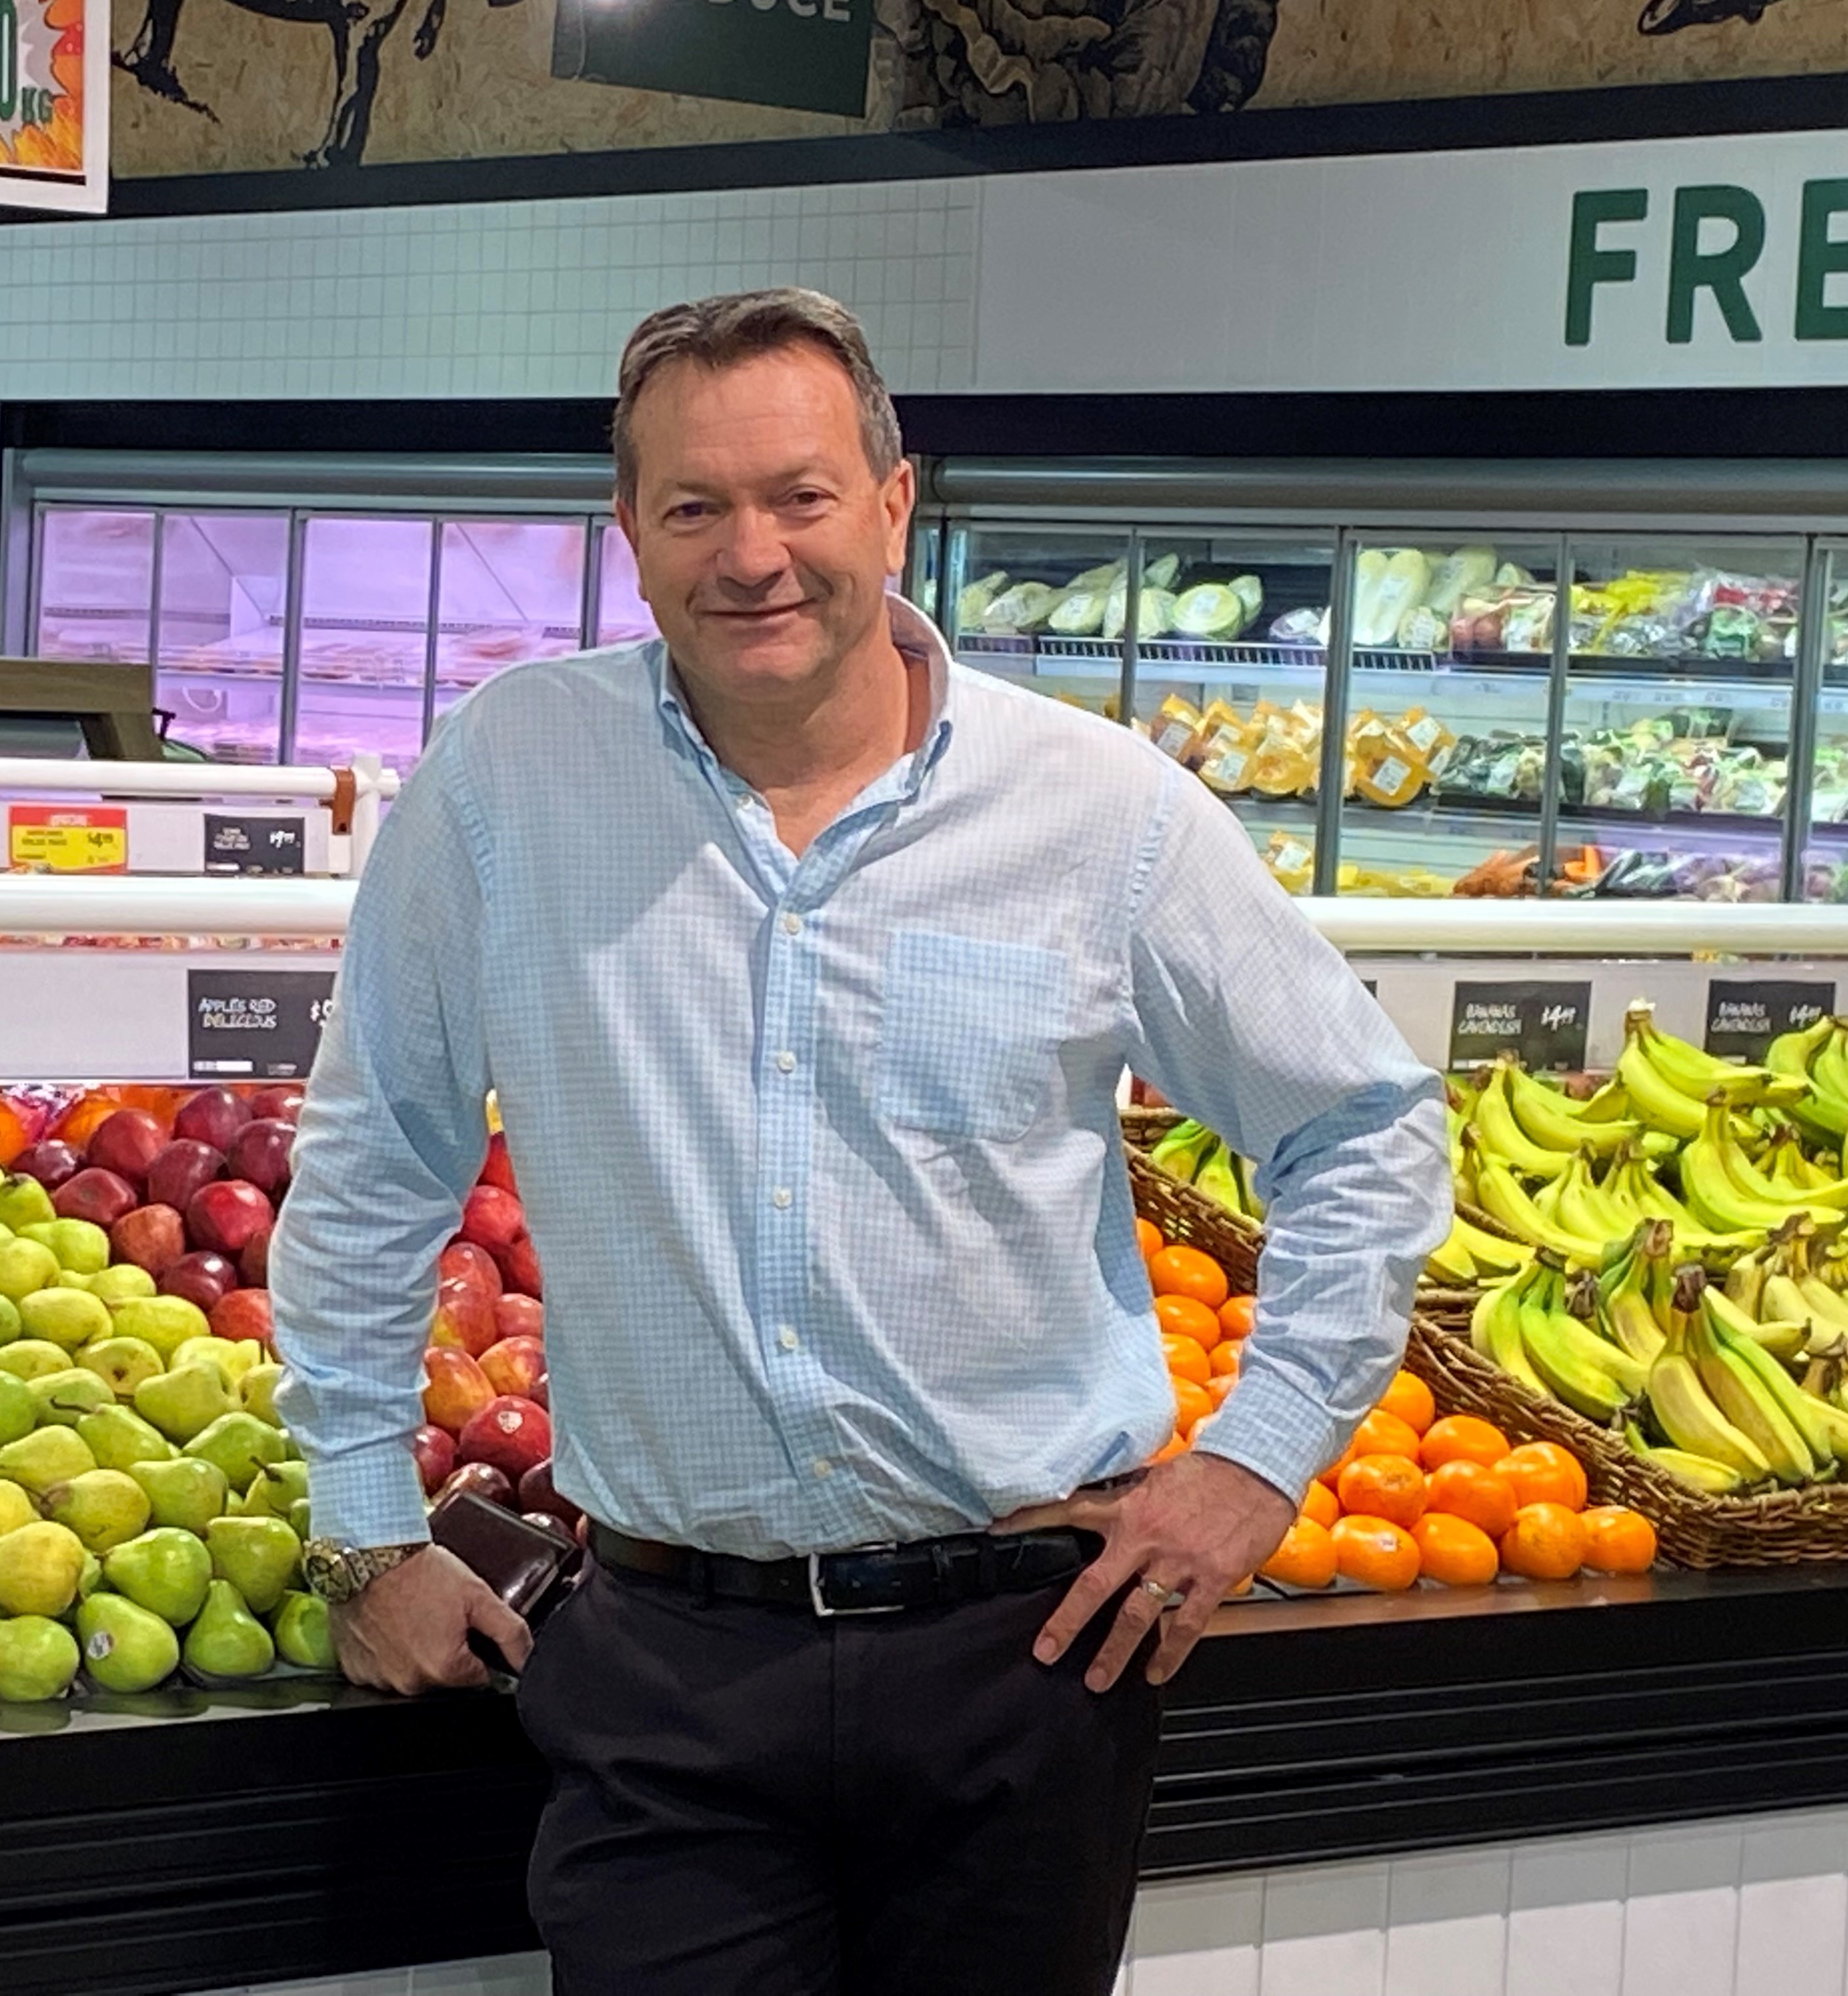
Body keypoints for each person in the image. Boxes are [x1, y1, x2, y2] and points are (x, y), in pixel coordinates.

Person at [271, 287, 1449, 1994]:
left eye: (803, 497)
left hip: (1028, 1661)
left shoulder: (1097, 814)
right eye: (695, 506)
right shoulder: (509, 782)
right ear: (628, 531)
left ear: (897, 503)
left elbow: (1365, 1125)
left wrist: (1256, 1464)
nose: (754, 554)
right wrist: (366, 1523)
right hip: (667, 1668)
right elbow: (378, 1152)